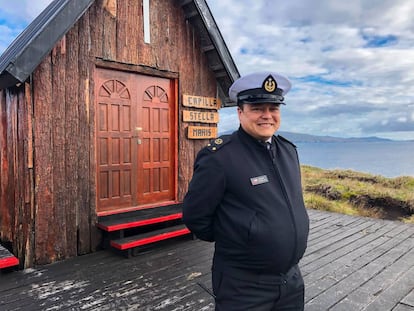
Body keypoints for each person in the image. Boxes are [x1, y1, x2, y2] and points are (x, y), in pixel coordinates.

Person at [182, 71, 310, 310]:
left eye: (274, 109)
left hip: (291, 280)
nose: (267, 116)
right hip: (244, 286)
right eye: (257, 108)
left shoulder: (288, 151)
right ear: (240, 112)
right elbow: (195, 216)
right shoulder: (220, 157)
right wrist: (240, 237)